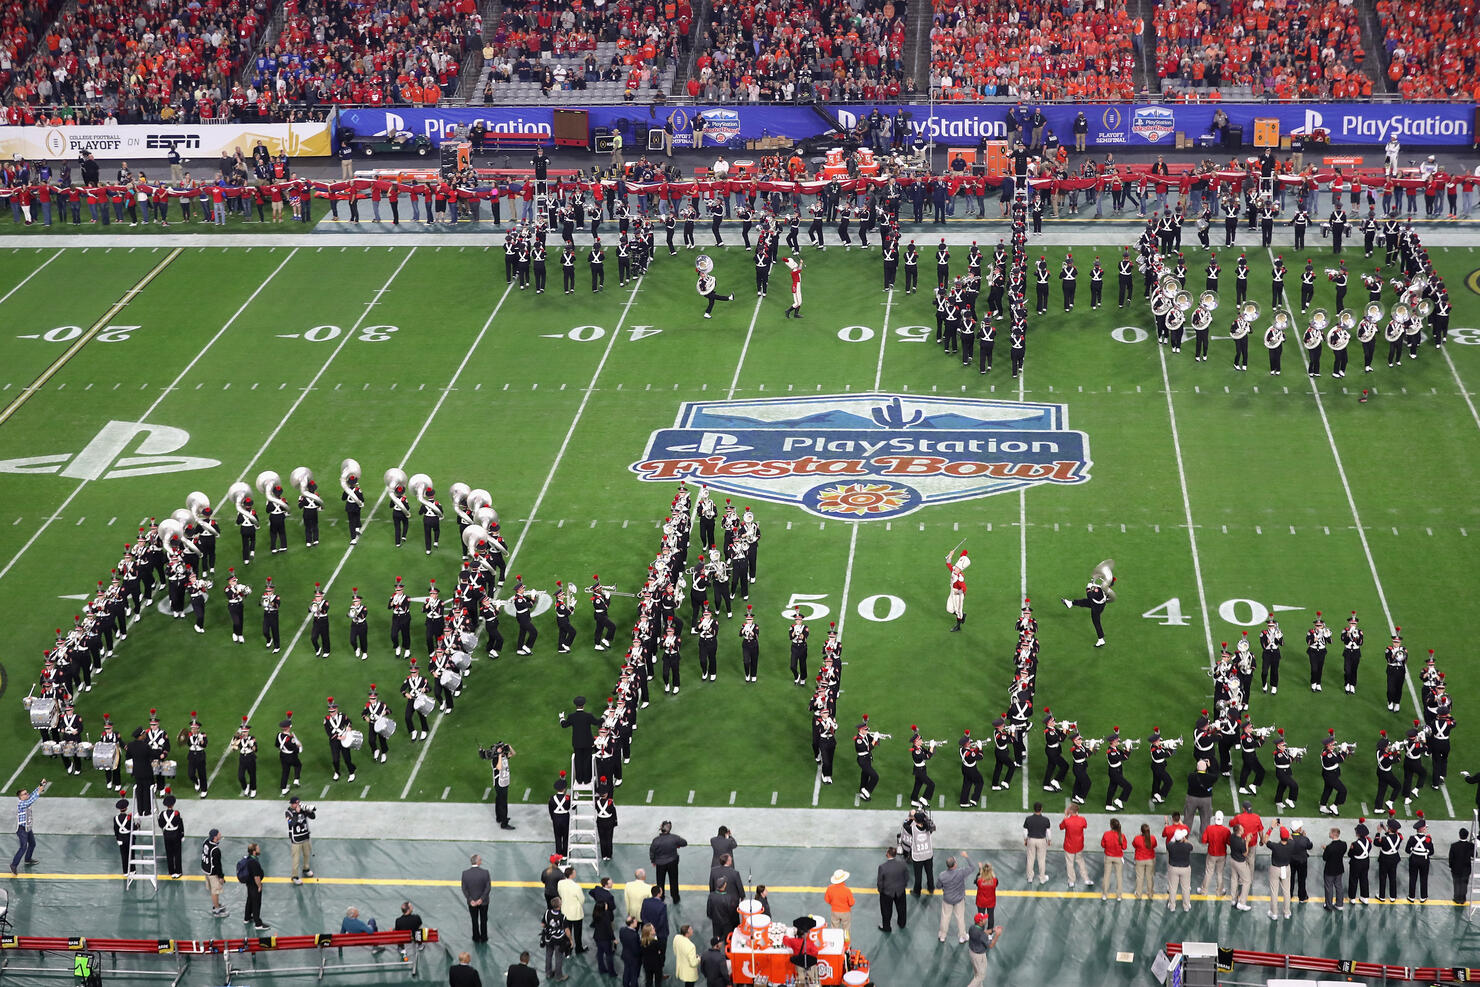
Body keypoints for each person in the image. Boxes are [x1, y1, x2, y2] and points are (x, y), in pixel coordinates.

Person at [11, 779, 49, 876]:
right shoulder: (22, 804)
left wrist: (41, 785)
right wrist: (41, 786)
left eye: (26, 793)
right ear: (20, 797)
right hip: (22, 830)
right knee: (23, 847)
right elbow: (34, 797)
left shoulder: (26, 799)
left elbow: (33, 793)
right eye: (24, 794)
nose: (27, 794)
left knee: (32, 844)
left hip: (28, 828)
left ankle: (27, 860)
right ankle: (13, 865)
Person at [649, 821, 687, 903]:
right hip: (672, 862)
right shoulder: (674, 838)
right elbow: (684, 843)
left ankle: (660, 897)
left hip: (660, 864)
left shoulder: (656, 840)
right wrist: (677, 845)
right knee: (673, 880)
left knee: (660, 881)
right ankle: (675, 898)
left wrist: (653, 861)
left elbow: (652, 852)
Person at [876, 846, 909, 932]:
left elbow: (880, 881)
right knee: (902, 908)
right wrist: (903, 886)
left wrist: (881, 891)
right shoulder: (902, 864)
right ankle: (902, 923)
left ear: (887, 854)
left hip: (887, 893)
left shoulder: (882, 867)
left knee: (886, 911)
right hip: (900, 891)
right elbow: (906, 877)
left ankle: (886, 927)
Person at [965, 915, 1004, 987]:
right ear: (980, 922)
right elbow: (991, 945)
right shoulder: (982, 935)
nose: (986, 919)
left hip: (972, 952)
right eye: (984, 919)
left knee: (977, 973)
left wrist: (993, 930)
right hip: (978, 956)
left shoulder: (972, 927)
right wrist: (997, 935)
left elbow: (984, 932)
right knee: (981, 976)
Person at [904, 811, 936, 895]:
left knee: (918, 876)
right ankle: (931, 888)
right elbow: (929, 823)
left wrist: (911, 819)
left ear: (915, 820)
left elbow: (905, 825)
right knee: (929, 873)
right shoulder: (928, 827)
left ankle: (917, 891)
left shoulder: (912, 829)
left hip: (918, 857)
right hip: (928, 855)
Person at [937, 856, 969, 943]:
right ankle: (962, 936)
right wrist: (967, 857)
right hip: (959, 900)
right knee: (960, 918)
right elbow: (972, 867)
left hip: (947, 900)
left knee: (945, 918)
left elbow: (938, 886)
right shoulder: (961, 872)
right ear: (954, 865)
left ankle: (942, 936)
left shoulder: (942, 875)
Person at [1199, 810, 1231, 896]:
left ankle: (1204, 891)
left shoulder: (1209, 828)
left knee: (1209, 872)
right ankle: (1219, 892)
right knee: (1220, 873)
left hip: (1211, 854)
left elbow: (1204, 840)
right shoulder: (1226, 830)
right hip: (1222, 855)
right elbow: (1229, 842)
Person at [1059, 803, 1091, 888]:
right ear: (1077, 811)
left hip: (1069, 846)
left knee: (1070, 863)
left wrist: (1066, 816)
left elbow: (1061, 827)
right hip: (1079, 845)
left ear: (1069, 811)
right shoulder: (1082, 819)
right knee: (1081, 862)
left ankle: (1071, 881)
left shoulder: (1066, 821)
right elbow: (1085, 826)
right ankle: (1086, 879)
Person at [557, 866, 588, 952]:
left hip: (565, 912)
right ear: (571, 875)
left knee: (567, 932)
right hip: (576, 914)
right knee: (577, 933)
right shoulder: (576, 887)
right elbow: (582, 899)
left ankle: (568, 949)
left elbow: (560, 894)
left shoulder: (560, 883)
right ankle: (579, 948)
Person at [462, 853, 492, 942]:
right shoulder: (485, 873)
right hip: (484, 902)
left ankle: (475, 937)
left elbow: (464, 888)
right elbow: (488, 887)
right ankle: (484, 937)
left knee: (474, 920)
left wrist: (470, 900)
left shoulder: (465, 873)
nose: (481, 861)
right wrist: (481, 899)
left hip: (472, 903)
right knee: (483, 920)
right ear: (478, 862)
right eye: (480, 860)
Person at [542, 895, 572, 981]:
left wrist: (549, 928)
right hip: (559, 940)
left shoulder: (547, 913)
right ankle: (558, 976)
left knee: (548, 955)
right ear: (559, 905)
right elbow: (567, 930)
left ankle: (548, 973)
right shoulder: (562, 917)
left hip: (548, 938)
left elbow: (543, 924)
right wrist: (570, 939)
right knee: (558, 957)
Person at [285, 797, 315, 884]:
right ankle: (295, 876)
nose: (298, 805)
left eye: (298, 803)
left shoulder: (302, 810)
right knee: (296, 859)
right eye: (296, 803)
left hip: (305, 836)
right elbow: (292, 823)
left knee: (306, 854)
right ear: (292, 804)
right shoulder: (288, 812)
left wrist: (309, 810)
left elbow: (313, 817)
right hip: (296, 839)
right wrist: (297, 813)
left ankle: (306, 869)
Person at [592, 876, 618, 974]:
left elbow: (592, 891)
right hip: (605, 939)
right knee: (609, 955)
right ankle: (611, 972)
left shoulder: (596, 914)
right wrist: (614, 939)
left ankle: (601, 969)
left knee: (599, 953)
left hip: (597, 936)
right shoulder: (606, 915)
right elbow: (609, 929)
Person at [1023, 802, 1052, 884]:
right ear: (1041, 809)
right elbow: (1048, 832)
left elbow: (1025, 831)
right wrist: (1049, 840)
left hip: (1031, 840)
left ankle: (1029, 878)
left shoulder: (1028, 819)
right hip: (1042, 840)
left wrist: (1025, 840)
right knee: (1041, 859)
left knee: (1030, 859)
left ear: (1034, 809)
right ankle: (1042, 878)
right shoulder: (1046, 820)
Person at [200, 827, 226, 916]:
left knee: (212, 889)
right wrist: (221, 877)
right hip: (212, 873)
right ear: (215, 837)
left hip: (206, 869)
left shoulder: (206, 842)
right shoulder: (216, 850)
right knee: (215, 891)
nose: (220, 834)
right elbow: (218, 865)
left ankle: (216, 905)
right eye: (219, 834)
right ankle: (216, 910)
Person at [1100, 818, 1128, 901]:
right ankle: (1119, 896)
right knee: (1119, 876)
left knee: (1106, 876)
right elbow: (1124, 847)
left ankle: (1104, 895)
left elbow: (1103, 845)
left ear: (1111, 826)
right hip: (1118, 858)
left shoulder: (1106, 834)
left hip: (1108, 857)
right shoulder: (1121, 836)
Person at [1165, 829, 1193, 911]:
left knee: (1173, 888)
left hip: (1173, 869)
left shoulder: (1170, 846)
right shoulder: (1187, 846)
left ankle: (1172, 906)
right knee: (1186, 888)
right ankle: (1186, 906)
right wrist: (1185, 840)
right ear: (1182, 838)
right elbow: (1191, 846)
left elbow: (1170, 842)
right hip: (1185, 869)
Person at [243, 842, 268, 929]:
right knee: (256, 903)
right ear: (254, 851)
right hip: (254, 885)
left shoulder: (249, 859)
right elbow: (256, 877)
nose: (259, 850)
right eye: (257, 848)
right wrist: (259, 886)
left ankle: (247, 918)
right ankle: (258, 924)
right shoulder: (254, 862)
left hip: (249, 884)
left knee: (249, 900)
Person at [1321, 827, 1347, 911]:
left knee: (1329, 888)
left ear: (1333, 834)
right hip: (1339, 869)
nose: (1329, 833)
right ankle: (1339, 904)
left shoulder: (1329, 847)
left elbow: (1325, 858)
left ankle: (1329, 905)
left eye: (1330, 832)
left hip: (1329, 870)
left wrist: (1325, 850)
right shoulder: (1344, 844)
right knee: (1339, 886)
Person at [1132, 823, 1158, 899]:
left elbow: (1134, 845)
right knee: (1150, 877)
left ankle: (1138, 894)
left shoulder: (1137, 838)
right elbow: (1155, 845)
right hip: (1150, 860)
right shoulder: (1152, 838)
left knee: (1139, 878)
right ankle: (1150, 894)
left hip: (1139, 860)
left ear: (1141, 831)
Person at [972, 860, 998, 926]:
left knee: (981, 917)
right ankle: (990, 932)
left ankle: (980, 930)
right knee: (991, 916)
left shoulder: (979, 881)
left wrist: (980, 870)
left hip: (981, 902)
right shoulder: (994, 880)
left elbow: (975, 881)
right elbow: (996, 883)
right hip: (991, 901)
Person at [619, 916, 643, 987]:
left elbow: (621, 939)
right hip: (633, 959)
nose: (637, 922)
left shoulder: (622, 930)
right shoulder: (634, 936)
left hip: (625, 955)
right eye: (635, 921)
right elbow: (636, 950)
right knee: (634, 975)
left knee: (626, 971)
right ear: (632, 923)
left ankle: (625, 984)